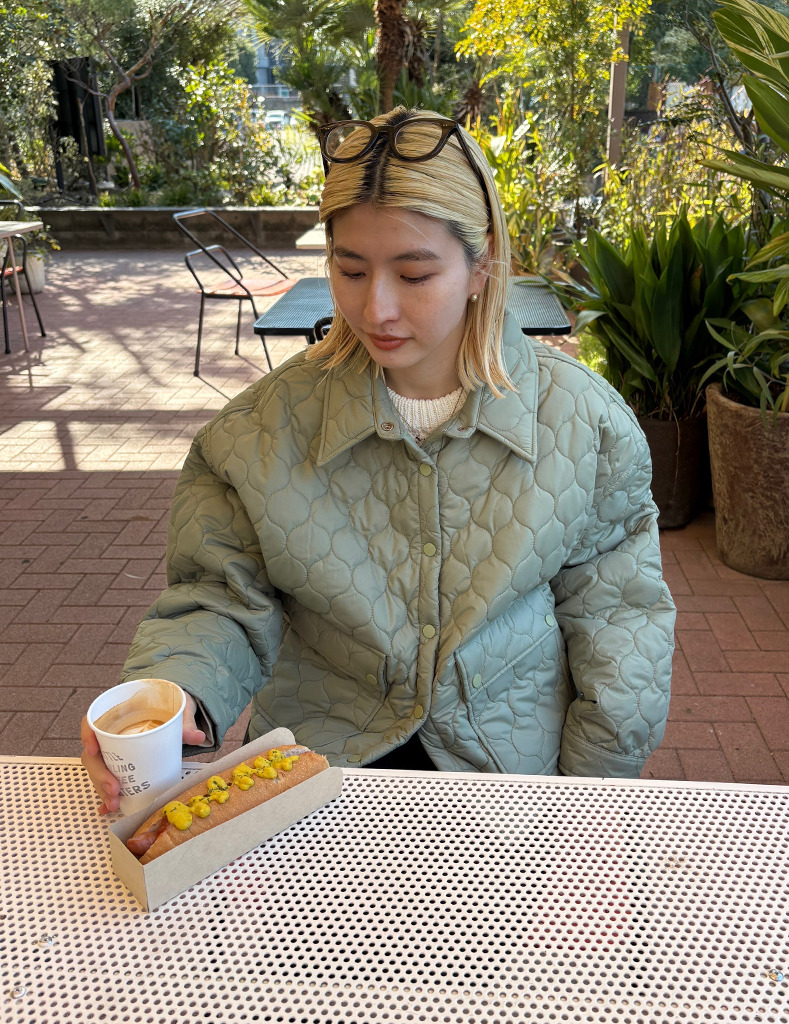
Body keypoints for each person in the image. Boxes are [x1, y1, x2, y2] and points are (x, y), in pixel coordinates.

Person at [82, 108, 676, 813]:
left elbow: (617, 618)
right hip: (315, 771)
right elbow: (219, 596)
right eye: (351, 270)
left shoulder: (586, 422)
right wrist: (178, 689)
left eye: (415, 274)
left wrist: (595, 798)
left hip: (511, 773)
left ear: (483, 263)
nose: (376, 310)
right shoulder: (256, 431)